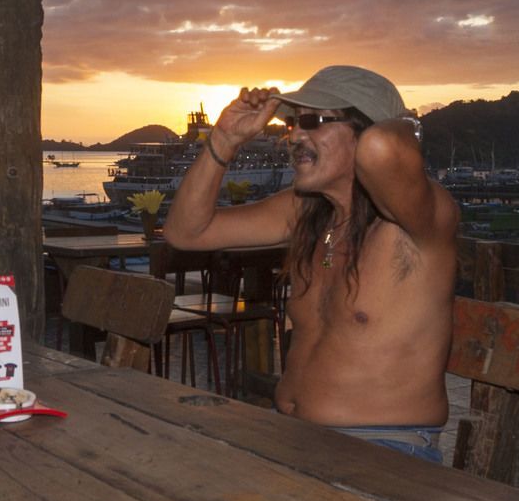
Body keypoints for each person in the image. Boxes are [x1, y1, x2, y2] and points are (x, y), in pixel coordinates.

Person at [162, 66, 459, 460]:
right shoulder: (310, 214)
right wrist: (223, 141)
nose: (294, 135)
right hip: (291, 436)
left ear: (365, 130)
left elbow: (382, 148)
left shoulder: (420, 221)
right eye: (292, 125)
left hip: (382, 451)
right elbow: (186, 232)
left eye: (313, 121)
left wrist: (402, 123)